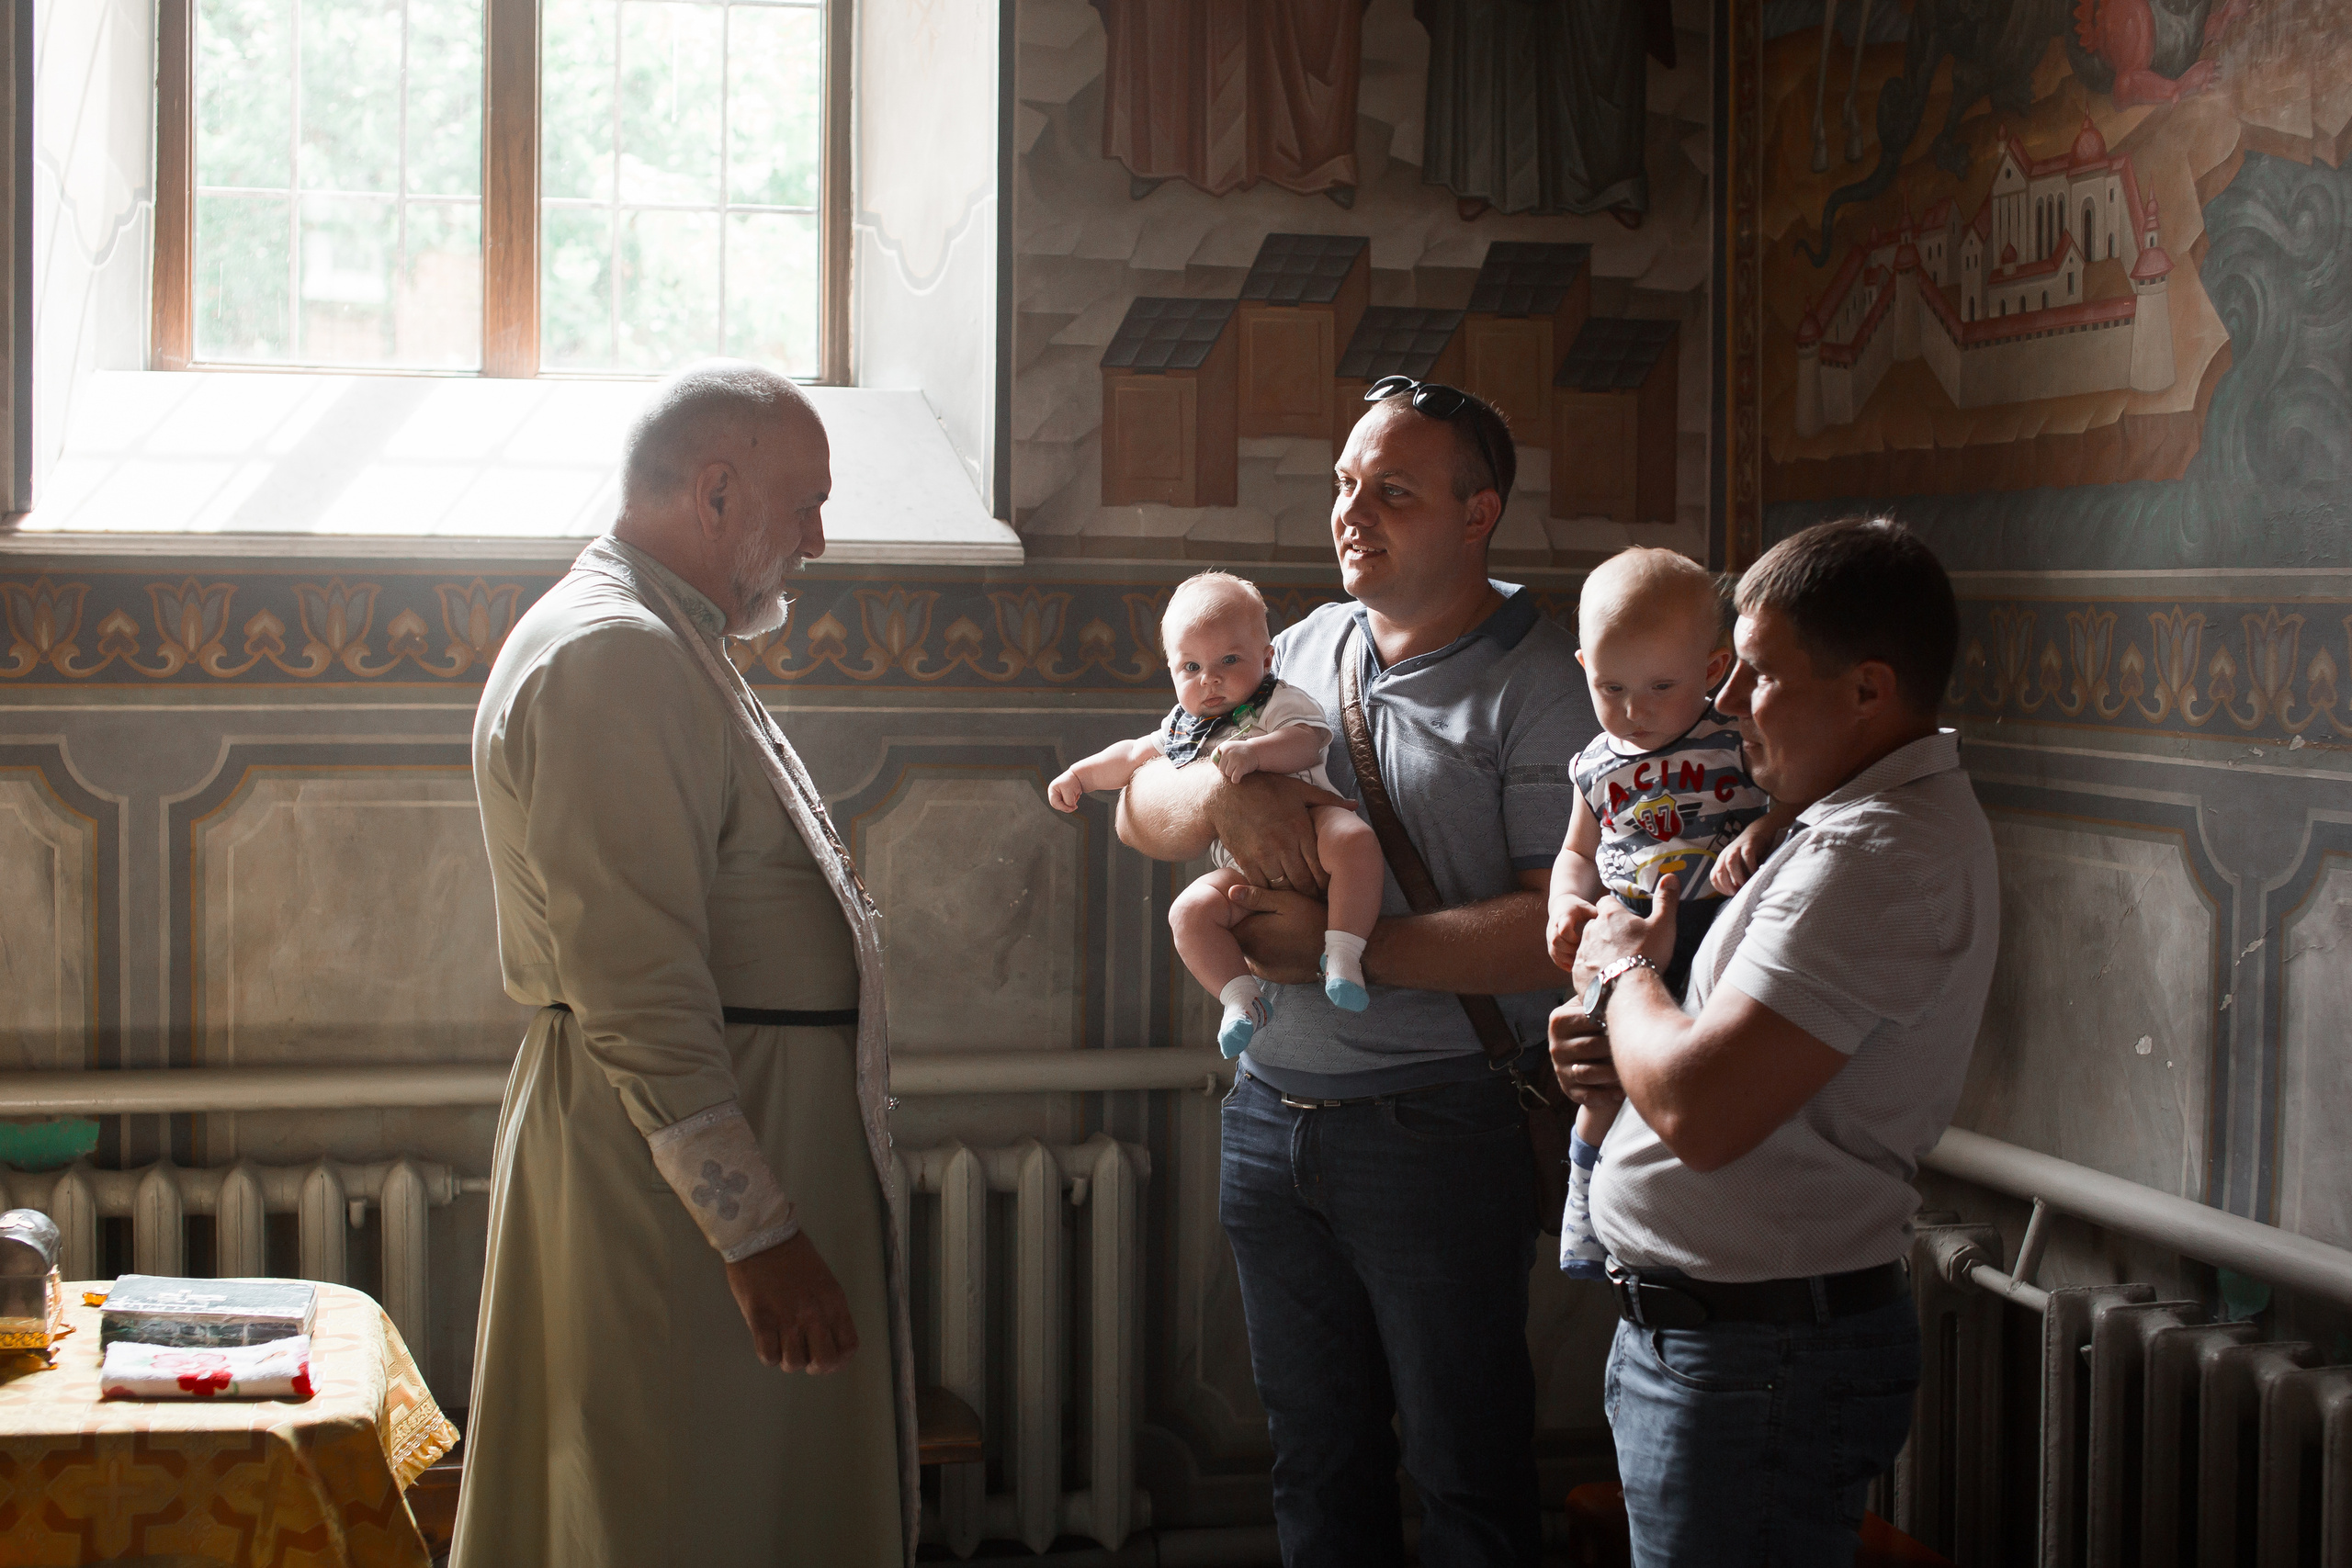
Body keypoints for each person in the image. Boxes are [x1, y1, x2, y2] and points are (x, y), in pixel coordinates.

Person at [1118, 378, 1594, 1567]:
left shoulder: (1544, 682)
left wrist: (1357, 947)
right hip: (1271, 1117)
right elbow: (1141, 802)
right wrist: (1227, 785)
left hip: (1438, 1126)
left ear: (1478, 512)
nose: (1352, 511)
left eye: (1392, 490)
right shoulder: (1293, 646)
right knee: (1317, 1466)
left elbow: (1557, 925)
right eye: (1344, 483)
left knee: (1464, 1470)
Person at [458, 361, 913, 1568]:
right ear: (717, 489)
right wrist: (755, 1228)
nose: (819, 536)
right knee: (672, 1497)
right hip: (673, 1186)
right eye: (805, 501)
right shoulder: (616, 653)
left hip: (738, 1127)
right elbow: (633, 973)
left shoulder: (667, 634)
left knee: (733, 1487)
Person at [1549, 517, 1998, 1566]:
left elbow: (1703, 1111)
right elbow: (1711, 1059)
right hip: (1718, 1340)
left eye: (1756, 675)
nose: (1724, 703)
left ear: (1866, 690)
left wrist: (1618, 970)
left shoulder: (1877, 856)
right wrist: (1616, 1046)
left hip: (1761, 1358)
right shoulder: (1818, 824)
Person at [1544, 547, 1795, 1279]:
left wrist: (1759, 830)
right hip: (1621, 932)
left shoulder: (1730, 738)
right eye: (1610, 684)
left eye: (1661, 685)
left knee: (1698, 1073)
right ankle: (1585, 1201)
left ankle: (1683, 1210)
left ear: (1714, 669)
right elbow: (1574, 850)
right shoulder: (1593, 761)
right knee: (1600, 1078)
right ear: (1584, 662)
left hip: (1715, 922)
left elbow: (1787, 802)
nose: (1635, 709)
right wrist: (1565, 902)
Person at [1048, 571, 1385, 1055]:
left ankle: (1344, 956)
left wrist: (1257, 755)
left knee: (1354, 840)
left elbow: (1307, 741)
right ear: (1171, 672)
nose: (1210, 679)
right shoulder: (1185, 726)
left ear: (1266, 658)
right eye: (1191, 667)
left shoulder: (1276, 699)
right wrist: (1080, 776)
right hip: (1241, 865)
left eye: (1229, 660)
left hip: (1313, 823)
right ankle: (1239, 999)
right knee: (1188, 914)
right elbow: (1133, 755)